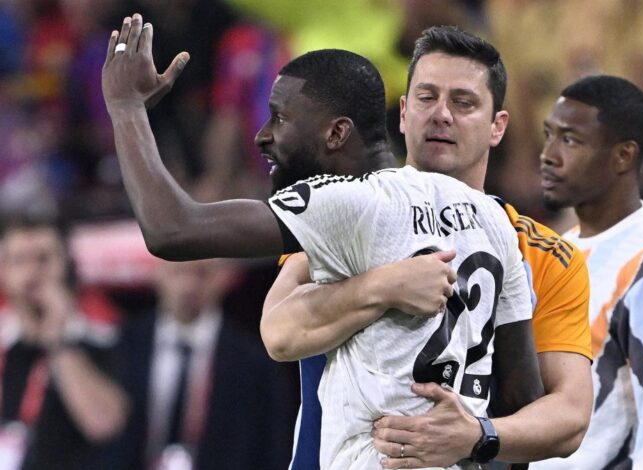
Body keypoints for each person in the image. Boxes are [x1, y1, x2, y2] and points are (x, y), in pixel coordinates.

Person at [101, 13, 543, 470]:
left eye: (280, 118)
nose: (263, 136)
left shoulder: (346, 203)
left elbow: (172, 230)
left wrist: (126, 108)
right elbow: (523, 399)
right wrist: (478, 439)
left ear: (336, 133)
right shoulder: (493, 219)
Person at [261, 26, 593, 469]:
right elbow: (279, 333)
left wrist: (475, 436)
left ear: (498, 127)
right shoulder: (344, 212)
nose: (441, 115)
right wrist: (381, 287)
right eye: (426, 97)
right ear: (402, 114)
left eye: (463, 102)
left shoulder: (545, 256)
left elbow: (569, 416)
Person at [530, 75, 643, 469]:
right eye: (548, 135)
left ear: (623, 156)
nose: (548, 155)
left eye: (570, 140)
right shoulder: (561, 250)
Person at [106, 259, 298, 469]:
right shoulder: (123, 345)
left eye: (201, 273)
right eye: (178, 272)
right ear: (158, 273)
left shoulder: (255, 362)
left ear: (224, 277)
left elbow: (273, 446)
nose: (188, 286)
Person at [0, 215, 129, 469]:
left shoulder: (104, 337)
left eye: (43, 259)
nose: (32, 272)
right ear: (3, 270)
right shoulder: (4, 341)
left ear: (67, 265)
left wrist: (58, 340)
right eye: (19, 260)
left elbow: (104, 425)